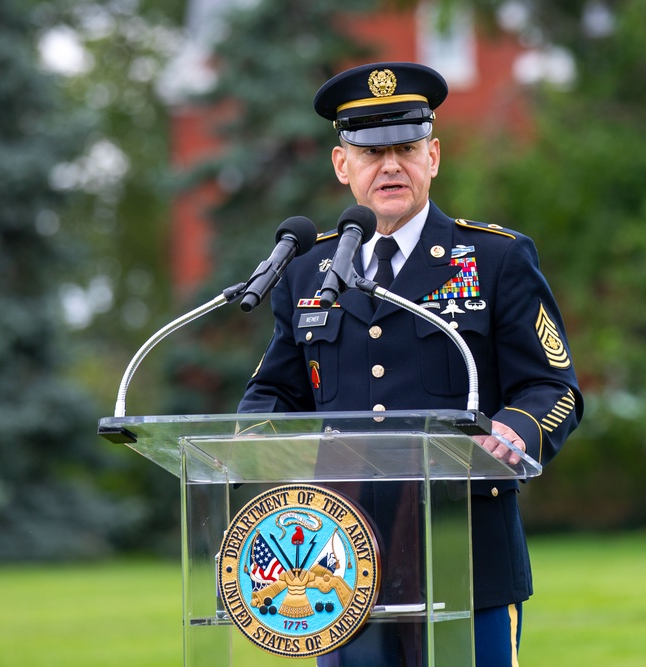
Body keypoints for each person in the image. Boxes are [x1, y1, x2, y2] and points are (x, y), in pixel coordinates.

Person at [238, 61, 583, 666]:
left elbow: (553, 388)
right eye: (371, 153)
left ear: (434, 157)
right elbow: (273, 395)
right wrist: (251, 444)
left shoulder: (495, 259)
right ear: (343, 167)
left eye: (406, 147)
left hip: (467, 552)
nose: (390, 165)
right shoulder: (306, 272)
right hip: (338, 561)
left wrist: (516, 429)